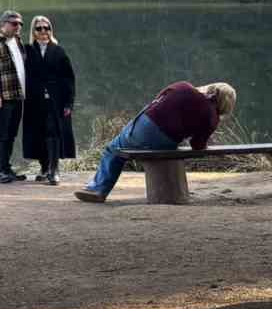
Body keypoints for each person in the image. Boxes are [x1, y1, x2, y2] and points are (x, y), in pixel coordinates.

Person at [75, 82, 238, 203]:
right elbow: (198, 146)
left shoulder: (184, 86)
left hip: (144, 126)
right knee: (166, 145)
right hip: (166, 142)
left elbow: (159, 99)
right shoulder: (212, 118)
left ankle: (98, 189)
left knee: (113, 150)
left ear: (211, 88)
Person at [22, 15, 76, 185]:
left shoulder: (59, 51)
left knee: (53, 132)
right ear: (33, 31)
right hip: (34, 100)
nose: (43, 31)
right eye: (39, 28)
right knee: (38, 133)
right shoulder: (28, 50)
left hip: (56, 100)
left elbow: (69, 79)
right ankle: (44, 168)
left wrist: (69, 103)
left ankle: (54, 171)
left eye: (47, 28)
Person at [0, 10, 29, 183]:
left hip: (17, 96)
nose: (18, 27)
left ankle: (5, 168)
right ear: (3, 24)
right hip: (2, 98)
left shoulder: (17, 41)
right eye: (14, 23)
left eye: (20, 24)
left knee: (10, 134)